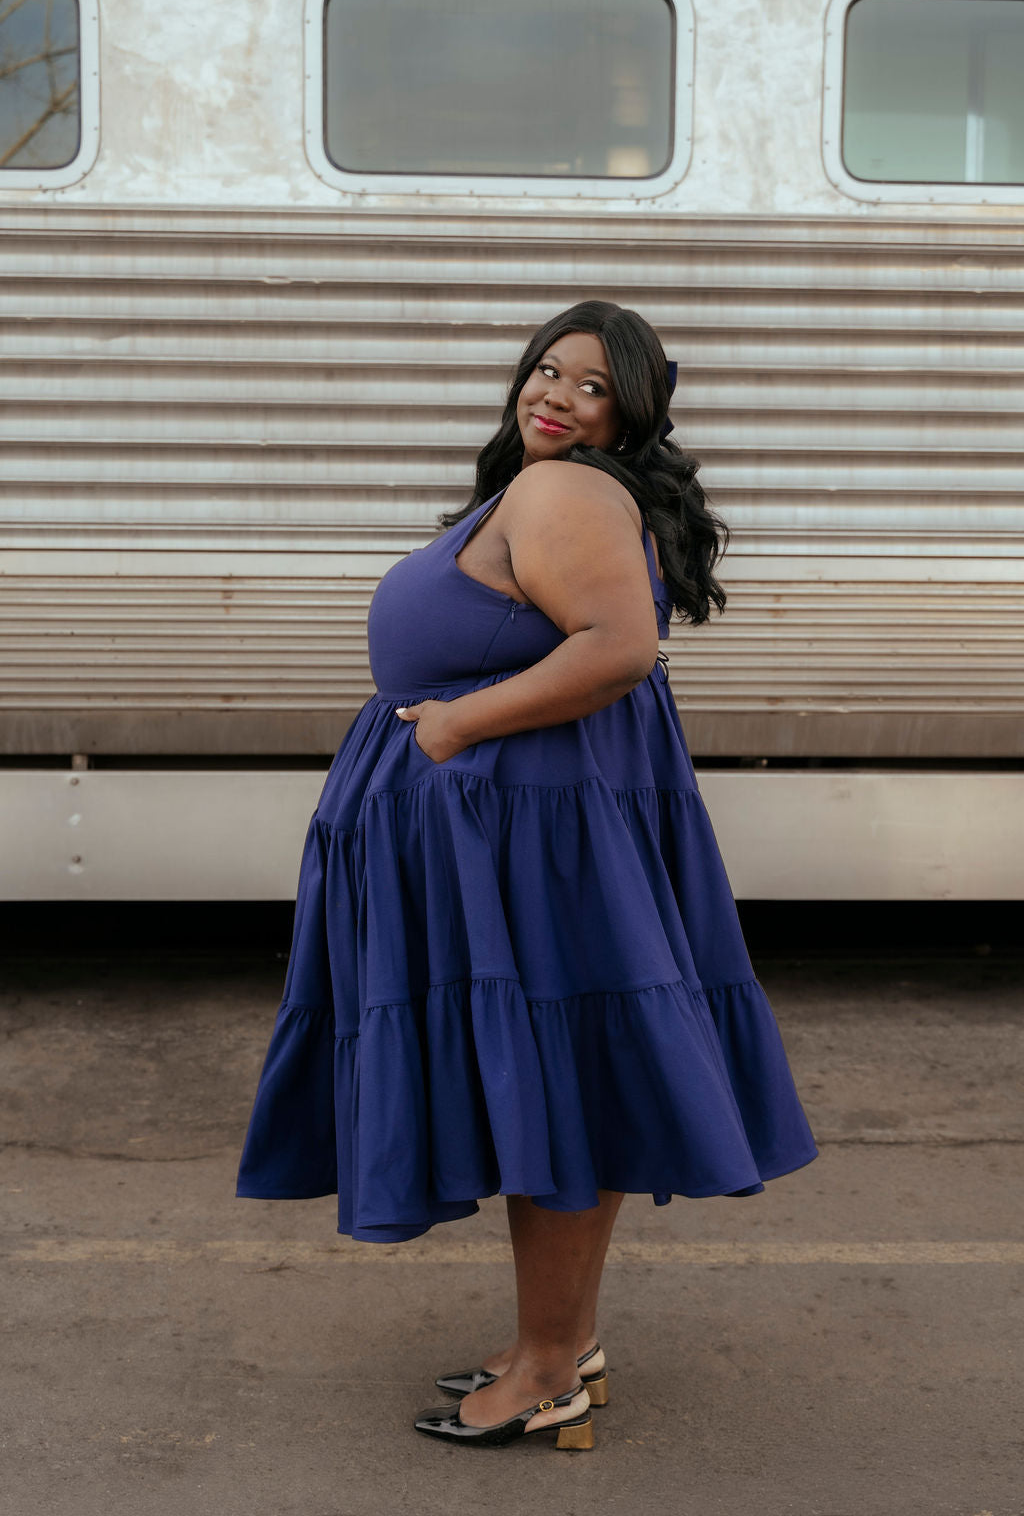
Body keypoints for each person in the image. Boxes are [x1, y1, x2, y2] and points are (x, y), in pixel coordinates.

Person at [236, 300, 817, 1451]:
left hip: (521, 835)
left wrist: (453, 731)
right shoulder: (552, 486)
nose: (554, 395)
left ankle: (548, 1365)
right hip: (518, 831)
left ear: (630, 411)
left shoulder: (565, 490)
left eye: (591, 385)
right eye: (545, 369)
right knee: (558, 1079)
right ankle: (558, 1343)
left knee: (554, 1077)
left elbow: (616, 647)